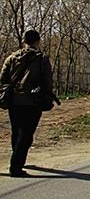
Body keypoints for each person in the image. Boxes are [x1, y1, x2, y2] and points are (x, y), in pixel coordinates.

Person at [0, 30, 53, 177]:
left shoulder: (12, 57)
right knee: (26, 134)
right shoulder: (42, 59)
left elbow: (3, 78)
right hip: (32, 102)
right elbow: (47, 81)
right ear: (37, 41)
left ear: (24, 41)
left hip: (14, 101)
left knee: (16, 131)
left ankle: (17, 159)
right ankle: (16, 167)